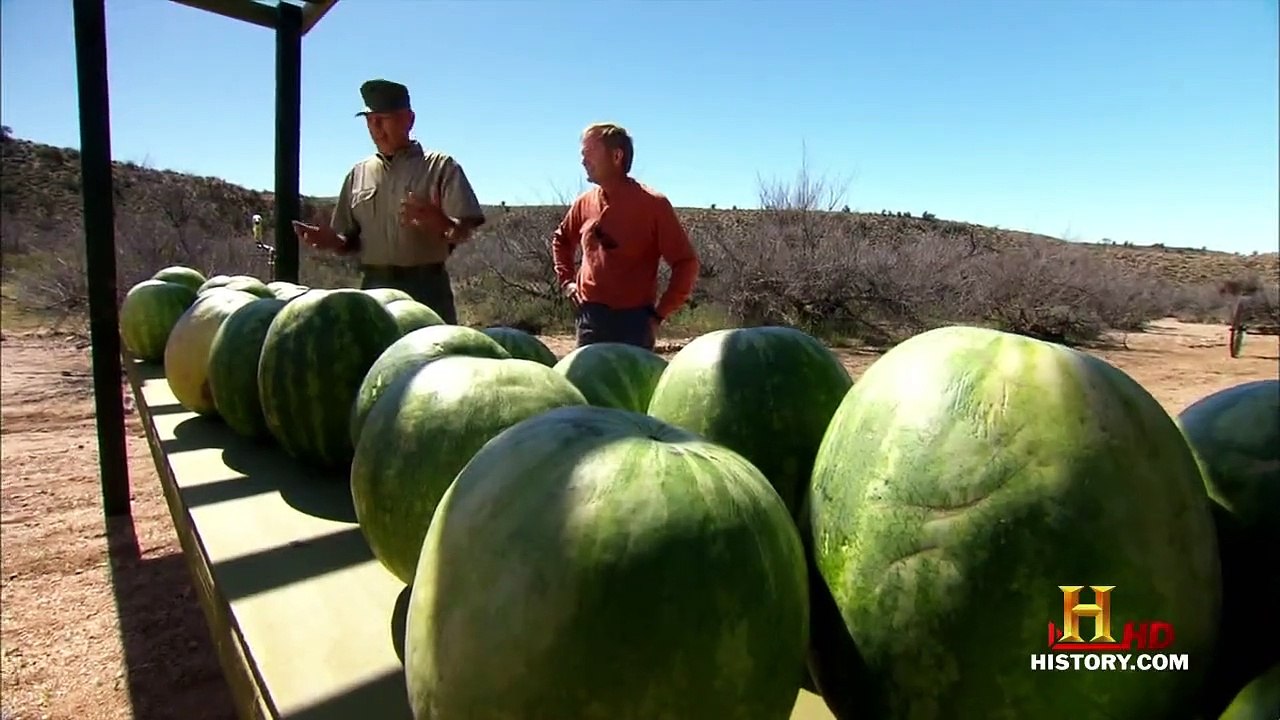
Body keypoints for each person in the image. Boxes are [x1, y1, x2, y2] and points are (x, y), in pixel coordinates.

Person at [293, 79, 485, 324]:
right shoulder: (358, 173)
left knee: (435, 357)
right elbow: (349, 242)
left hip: (426, 288)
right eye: (370, 121)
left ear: (409, 120)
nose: (376, 128)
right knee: (374, 358)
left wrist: (442, 223)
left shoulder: (440, 167)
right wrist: (332, 241)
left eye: (384, 119)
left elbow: (463, 232)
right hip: (374, 289)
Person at [551, 123, 700, 350]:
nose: (583, 161)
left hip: (635, 322)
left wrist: (659, 314)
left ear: (617, 156)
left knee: (633, 385)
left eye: (589, 153)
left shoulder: (653, 205)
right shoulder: (584, 203)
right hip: (590, 317)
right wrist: (568, 282)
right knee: (586, 383)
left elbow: (685, 263)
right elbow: (561, 240)